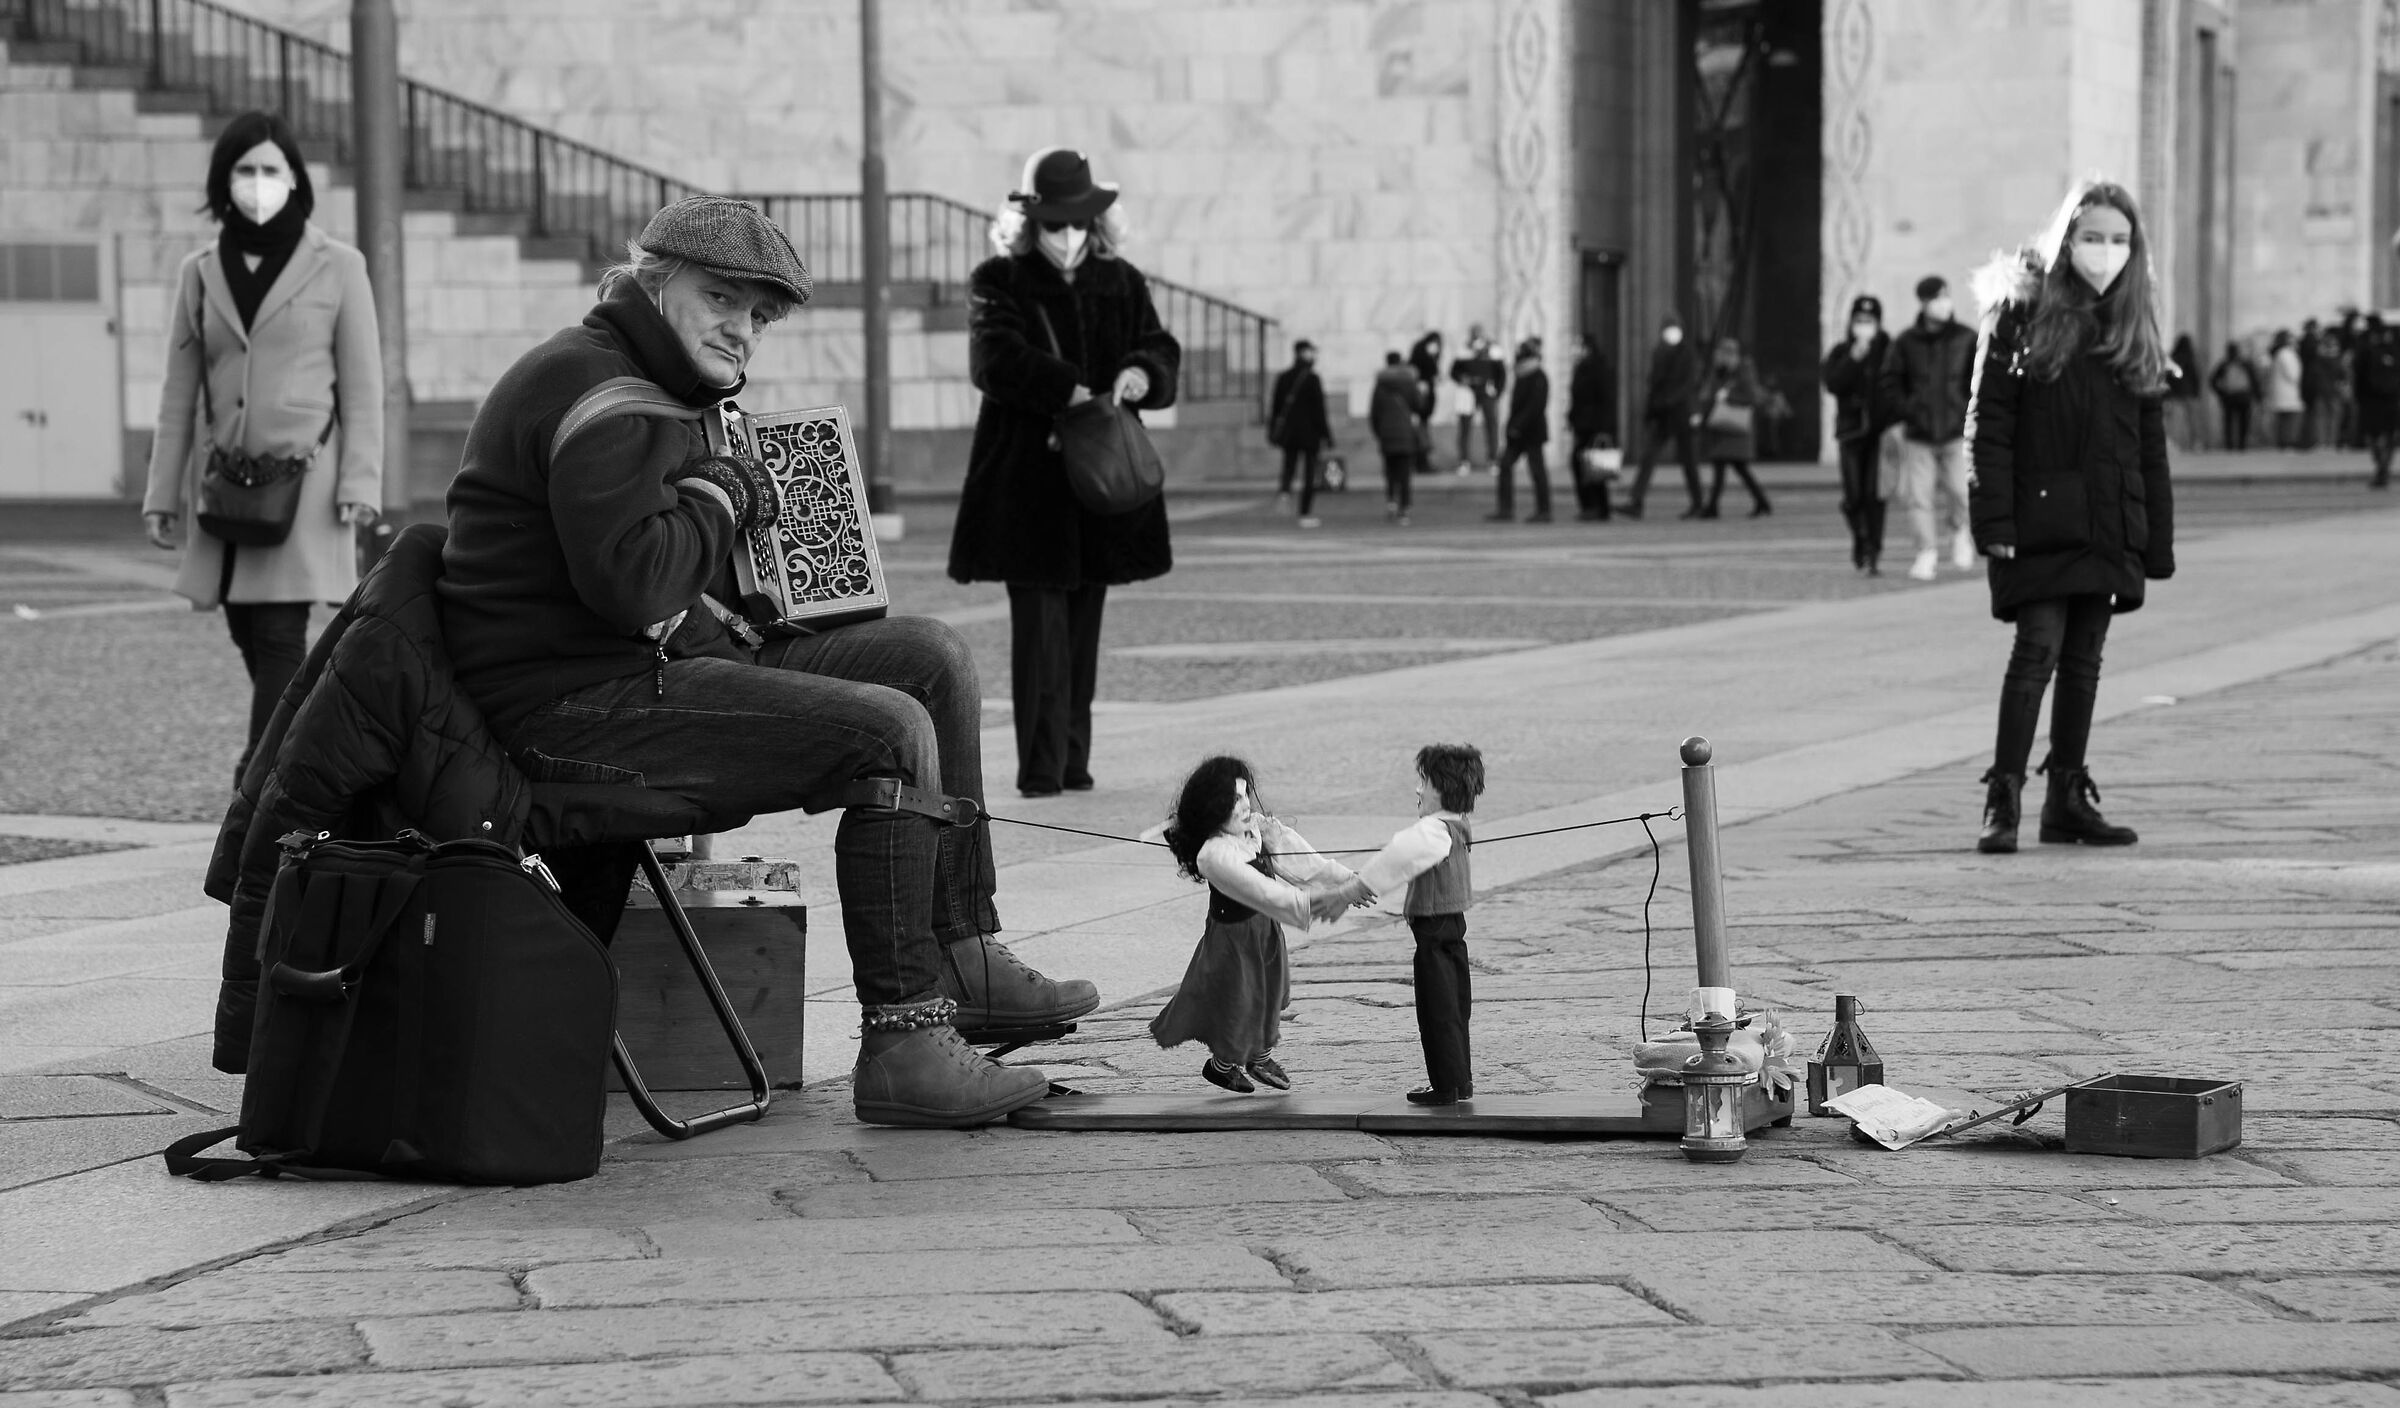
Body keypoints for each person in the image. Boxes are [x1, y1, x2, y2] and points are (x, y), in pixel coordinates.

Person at [439, 193, 1101, 1129]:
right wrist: (723, 494)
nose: (743, 332)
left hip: (630, 674)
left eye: (758, 316)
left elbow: (667, 595)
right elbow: (632, 587)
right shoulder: (598, 392)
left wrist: (771, 604)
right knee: (889, 726)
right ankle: (905, 1039)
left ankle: (962, 950)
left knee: (930, 660)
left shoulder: (656, 383)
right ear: (656, 282)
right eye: (722, 301)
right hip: (569, 714)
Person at [142, 111, 383, 777]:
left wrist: (361, 484)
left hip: (305, 481)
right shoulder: (200, 270)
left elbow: (364, 387)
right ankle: (308, 748)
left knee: (279, 631)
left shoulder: (339, 267)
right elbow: (178, 391)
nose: (257, 183)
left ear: (295, 180)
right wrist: (162, 495)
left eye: (270, 169)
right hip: (225, 482)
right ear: (225, 182)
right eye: (245, 170)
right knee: (247, 630)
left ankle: (258, 782)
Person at [947, 148, 1180, 799]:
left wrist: (1142, 372)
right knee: (1040, 638)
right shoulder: (999, 277)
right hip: (1029, 487)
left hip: (1100, 485)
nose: (1068, 237)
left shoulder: (1122, 280)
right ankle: (1041, 769)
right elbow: (993, 359)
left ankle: (1074, 760)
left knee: (1083, 633)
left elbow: (1159, 345)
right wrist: (1067, 388)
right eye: (1056, 224)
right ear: (1031, 223)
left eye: (1078, 224)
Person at [1967, 179, 2174, 856]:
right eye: (2093, 238)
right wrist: (1994, 520)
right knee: (2037, 651)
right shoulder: (2019, 313)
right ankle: (2004, 795)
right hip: (2041, 517)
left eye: (2118, 240)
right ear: (2066, 240)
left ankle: (2066, 796)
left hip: (2111, 519)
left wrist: (2156, 539)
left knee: (2086, 658)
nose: (2105, 252)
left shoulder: (2130, 320)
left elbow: (2149, 443)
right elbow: (1988, 424)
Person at [1147, 757, 1360, 1092]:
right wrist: (1321, 901)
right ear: (1212, 807)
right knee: (1241, 1002)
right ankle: (1223, 1066)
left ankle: (1258, 1057)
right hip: (1233, 939)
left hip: (1264, 929)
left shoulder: (1255, 830)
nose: (1245, 805)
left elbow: (1301, 859)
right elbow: (1263, 891)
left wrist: (1346, 879)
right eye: (1234, 800)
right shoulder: (1215, 855)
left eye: (1246, 795)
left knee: (1273, 993)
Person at [1337, 743, 1484, 1106]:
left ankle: (1446, 1085)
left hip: (1433, 931)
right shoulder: (1458, 824)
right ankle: (1459, 1081)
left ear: (1443, 787)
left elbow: (1398, 855)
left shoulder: (1433, 829)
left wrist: (1357, 887)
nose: (1417, 790)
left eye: (1424, 782)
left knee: (1437, 1010)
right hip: (1454, 929)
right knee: (1455, 1006)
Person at [1881, 274, 1978, 581]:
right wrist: (1908, 410)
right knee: (1918, 497)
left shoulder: (1965, 337)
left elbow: (1978, 378)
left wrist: (1967, 410)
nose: (1943, 304)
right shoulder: (1906, 341)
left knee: (1961, 492)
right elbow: (1890, 381)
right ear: (1924, 303)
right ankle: (1926, 552)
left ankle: (1960, 533)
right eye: (1937, 298)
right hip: (1919, 432)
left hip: (1955, 429)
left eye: (1946, 297)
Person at [1822, 294, 1893, 573]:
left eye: (1869, 320)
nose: (1864, 325)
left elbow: (1897, 384)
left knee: (1874, 494)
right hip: (1850, 432)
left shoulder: (1888, 349)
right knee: (1853, 495)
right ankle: (1860, 538)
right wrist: (1853, 359)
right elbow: (1833, 383)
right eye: (1859, 320)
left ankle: (1873, 549)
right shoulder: (1841, 351)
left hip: (1879, 432)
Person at [1627, 313, 1702, 518]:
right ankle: (1636, 501)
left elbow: (1687, 385)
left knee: (1689, 461)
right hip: (1663, 414)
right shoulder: (1659, 352)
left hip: (1681, 413)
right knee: (1648, 457)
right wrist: (1652, 409)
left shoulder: (1687, 353)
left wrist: (1669, 401)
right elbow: (1654, 383)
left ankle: (1698, 503)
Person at [1693, 335, 1770, 518]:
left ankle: (1713, 507)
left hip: (1735, 430)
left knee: (1727, 468)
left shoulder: (1743, 371)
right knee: (1737, 469)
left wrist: (1729, 397)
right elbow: (1710, 395)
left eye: (1722, 354)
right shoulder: (1720, 372)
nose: (1718, 357)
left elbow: (1751, 397)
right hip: (1722, 429)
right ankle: (1761, 502)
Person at [1268, 338, 1334, 528]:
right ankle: (1304, 512)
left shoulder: (1284, 377)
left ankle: (1285, 493)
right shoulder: (1312, 378)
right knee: (1309, 473)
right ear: (1302, 353)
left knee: (1289, 467)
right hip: (1309, 433)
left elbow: (1276, 408)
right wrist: (1327, 435)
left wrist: (1273, 430)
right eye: (1310, 352)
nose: (1313, 356)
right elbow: (1319, 410)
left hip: (1290, 433)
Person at [1488, 338, 1552, 522]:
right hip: (1517, 433)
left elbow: (1535, 406)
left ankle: (1544, 510)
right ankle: (1505, 509)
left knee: (1537, 471)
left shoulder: (1538, 376)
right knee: (1505, 465)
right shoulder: (1522, 375)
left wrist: (1518, 425)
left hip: (1531, 432)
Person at [1370, 350, 1430, 525]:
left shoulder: (1380, 385)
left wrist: (1380, 433)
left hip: (1387, 434)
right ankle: (1404, 508)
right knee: (1404, 473)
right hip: (1405, 433)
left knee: (1390, 472)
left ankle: (1391, 502)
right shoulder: (1409, 383)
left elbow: (1374, 414)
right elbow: (1420, 407)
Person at [1565, 333, 1617, 520]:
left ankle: (1598, 507)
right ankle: (1591, 506)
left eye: (1577, 346)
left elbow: (1605, 399)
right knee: (1582, 465)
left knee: (1594, 467)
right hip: (1583, 425)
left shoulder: (1597, 368)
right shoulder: (1580, 368)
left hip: (1594, 426)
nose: (1574, 350)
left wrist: (1604, 427)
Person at [1450, 325, 1507, 473]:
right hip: (1468, 391)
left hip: (1487, 391)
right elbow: (1454, 371)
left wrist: (1497, 393)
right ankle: (1463, 460)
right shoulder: (1464, 350)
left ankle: (1493, 459)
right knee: (1465, 427)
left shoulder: (1493, 350)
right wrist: (1462, 379)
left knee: (1491, 425)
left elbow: (1501, 374)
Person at [2356, 311, 2399, 489]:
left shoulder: (2365, 351)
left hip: (2371, 401)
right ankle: (2384, 467)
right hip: (2392, 400)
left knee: (2374, 436)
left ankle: (2380, 465)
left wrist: (2359, 398)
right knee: (2390, 436)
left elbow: (2359, 378)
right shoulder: (2395, 351)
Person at [2208, 339, 2257, 451]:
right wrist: (2256, 396)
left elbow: (2212, 381)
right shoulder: (2245, 364)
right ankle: (2242, 445)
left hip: (2229, 397)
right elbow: (2254, 381)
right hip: (2243, 397)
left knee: (2229, 422)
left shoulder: (2224, 364)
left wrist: (2221, 393)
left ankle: (2229, 445)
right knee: (2243, 422)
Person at [1406, 330, 1445, 464]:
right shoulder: (1422, 352)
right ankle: (1422, 458)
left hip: (1426, 397)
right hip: (1423, 396)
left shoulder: (1428, 354)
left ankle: (1423, 458)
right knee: (1421, 430)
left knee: (1423, 428)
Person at [2165, 333, 2204, 450]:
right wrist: (2197, 392)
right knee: (2191, 420)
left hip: (2175, 394)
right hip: (2189, 393)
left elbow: (2167, 377)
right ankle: (2195, 443)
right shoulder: (2191, 358)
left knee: (2176, 420)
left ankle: (2175, 443)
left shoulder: (2173, 357)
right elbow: (2195, 377)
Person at [2267, 330, 2305, 448]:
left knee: (2283, 420)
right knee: (2290, 420)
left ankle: (2284, 442)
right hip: (2288, 392)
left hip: (2282, 392)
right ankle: (2288, 442)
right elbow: (2293, 374)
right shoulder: (2286, 354)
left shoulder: (2279, 354)